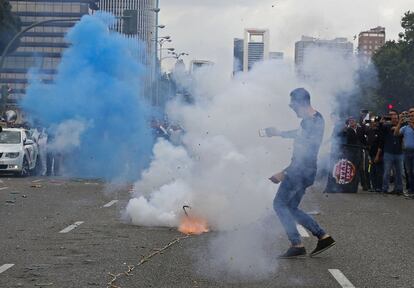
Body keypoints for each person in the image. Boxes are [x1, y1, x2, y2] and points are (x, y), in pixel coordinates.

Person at [266, 88, 335, 258]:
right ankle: (322, 236)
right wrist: (279, 133)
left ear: (301, 102)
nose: (291, 106)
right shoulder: (313, 120)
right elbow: (299, 135)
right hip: (305, 171)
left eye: (293, 103)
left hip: (299, 170)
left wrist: (284, 172)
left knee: (279, 204)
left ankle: (296, 243)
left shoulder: (310, 121)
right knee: (291, 207)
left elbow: (307, 153)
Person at [376, 113, 404, 194]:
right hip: (388, 152)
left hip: (399, 153)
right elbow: (380, 129)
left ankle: (399, 189)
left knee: (399, 173)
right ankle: (385, 189)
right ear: (391, 119)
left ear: (398, 119)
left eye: (396, 118)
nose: (394, 119)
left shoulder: (401, 127)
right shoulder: (387, 127)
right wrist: (381, 121)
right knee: (387, 172)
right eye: (393, 118)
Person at [395, 109, 414, 197]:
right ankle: (411, 190)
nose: (411, 118)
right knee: (409, 172)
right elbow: (396, 133)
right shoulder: (405, 127)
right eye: (410, 116)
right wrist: (400, 122)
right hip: (407, 152)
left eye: (413, 116)